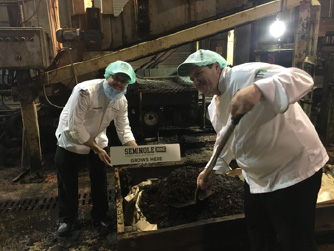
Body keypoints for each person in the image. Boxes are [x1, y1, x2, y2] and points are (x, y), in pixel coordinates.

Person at [177, 49, 329, 251]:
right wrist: (211, 169)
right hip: (256, 180)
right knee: (259, 238)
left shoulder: (247, 74)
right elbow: (226, 138)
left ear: (216, 67)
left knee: (295, 241)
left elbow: (301, 78)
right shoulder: (213, 108)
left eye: (199, 74)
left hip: (293, 172)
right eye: (192, 79)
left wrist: (258, 89)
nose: (196, 82)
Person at [55, 60, 137, 237]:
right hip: (71, 139)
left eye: (123, 81)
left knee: (99, 179)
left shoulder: (121, 100)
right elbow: (75, 127)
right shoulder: (85, 91)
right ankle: (67, 219)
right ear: (107, 76)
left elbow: (124, 129)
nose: (118, 84)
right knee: (68, 181)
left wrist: (137, 152)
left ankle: (99, 215)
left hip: (98, 139)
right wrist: (97, 149)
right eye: (116, 78)